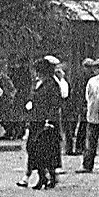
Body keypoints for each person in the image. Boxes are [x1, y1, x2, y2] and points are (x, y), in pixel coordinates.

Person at [23, 58, 63, 190]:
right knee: (34, 149)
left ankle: (49, 177)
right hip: (36, 121)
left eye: (39, 71)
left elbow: (55, 105)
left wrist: (49, 121)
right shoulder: (38, 84)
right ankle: (42, 177)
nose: (37, 74)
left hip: (47, 122)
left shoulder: (52, 85)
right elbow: (33, 98)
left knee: (47, 151)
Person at [65, 59, 92, 155]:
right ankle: (77, 147)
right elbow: (78, 92)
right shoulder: (83, 77)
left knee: (82, 126)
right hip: (80, 104)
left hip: (80, 104)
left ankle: (78, 146)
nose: (89, 69)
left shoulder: (80, 76)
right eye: (88, 67)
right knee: (80, 126)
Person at [0, 71, 17, 140]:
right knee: (1, 117)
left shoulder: (4, 79)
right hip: (2, 101)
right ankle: (9, 132)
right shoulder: (0, 78)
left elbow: (11, 90)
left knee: (5, 117)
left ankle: (10, 132)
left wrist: (9, 97)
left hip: (5, 101)